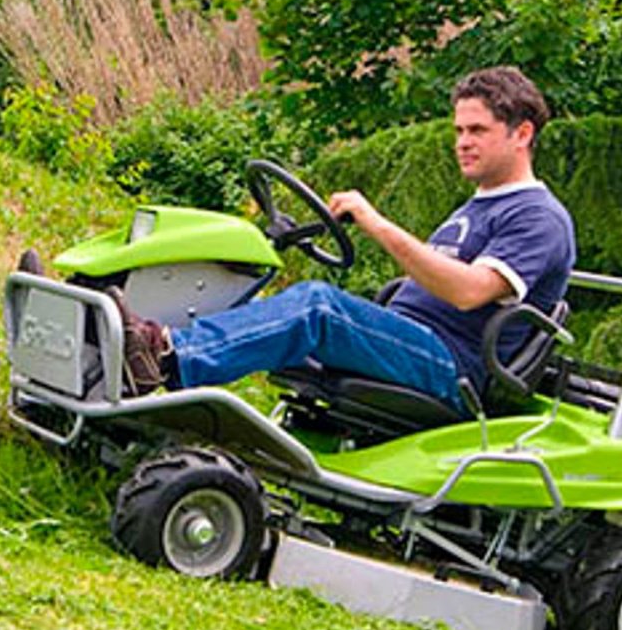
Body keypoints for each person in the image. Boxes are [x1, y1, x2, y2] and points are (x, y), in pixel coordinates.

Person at [113, 66, 576, 411]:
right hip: (415, 339)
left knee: (318, 307)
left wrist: (376, 224)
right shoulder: (477, 206)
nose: (462, 142)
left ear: (522, 134)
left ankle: (165, 355)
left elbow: (468, 291)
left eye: (477, 130)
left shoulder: (538, 217)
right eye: (458, 130)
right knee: (285, 299)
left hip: (453, 366)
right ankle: (119, 328)